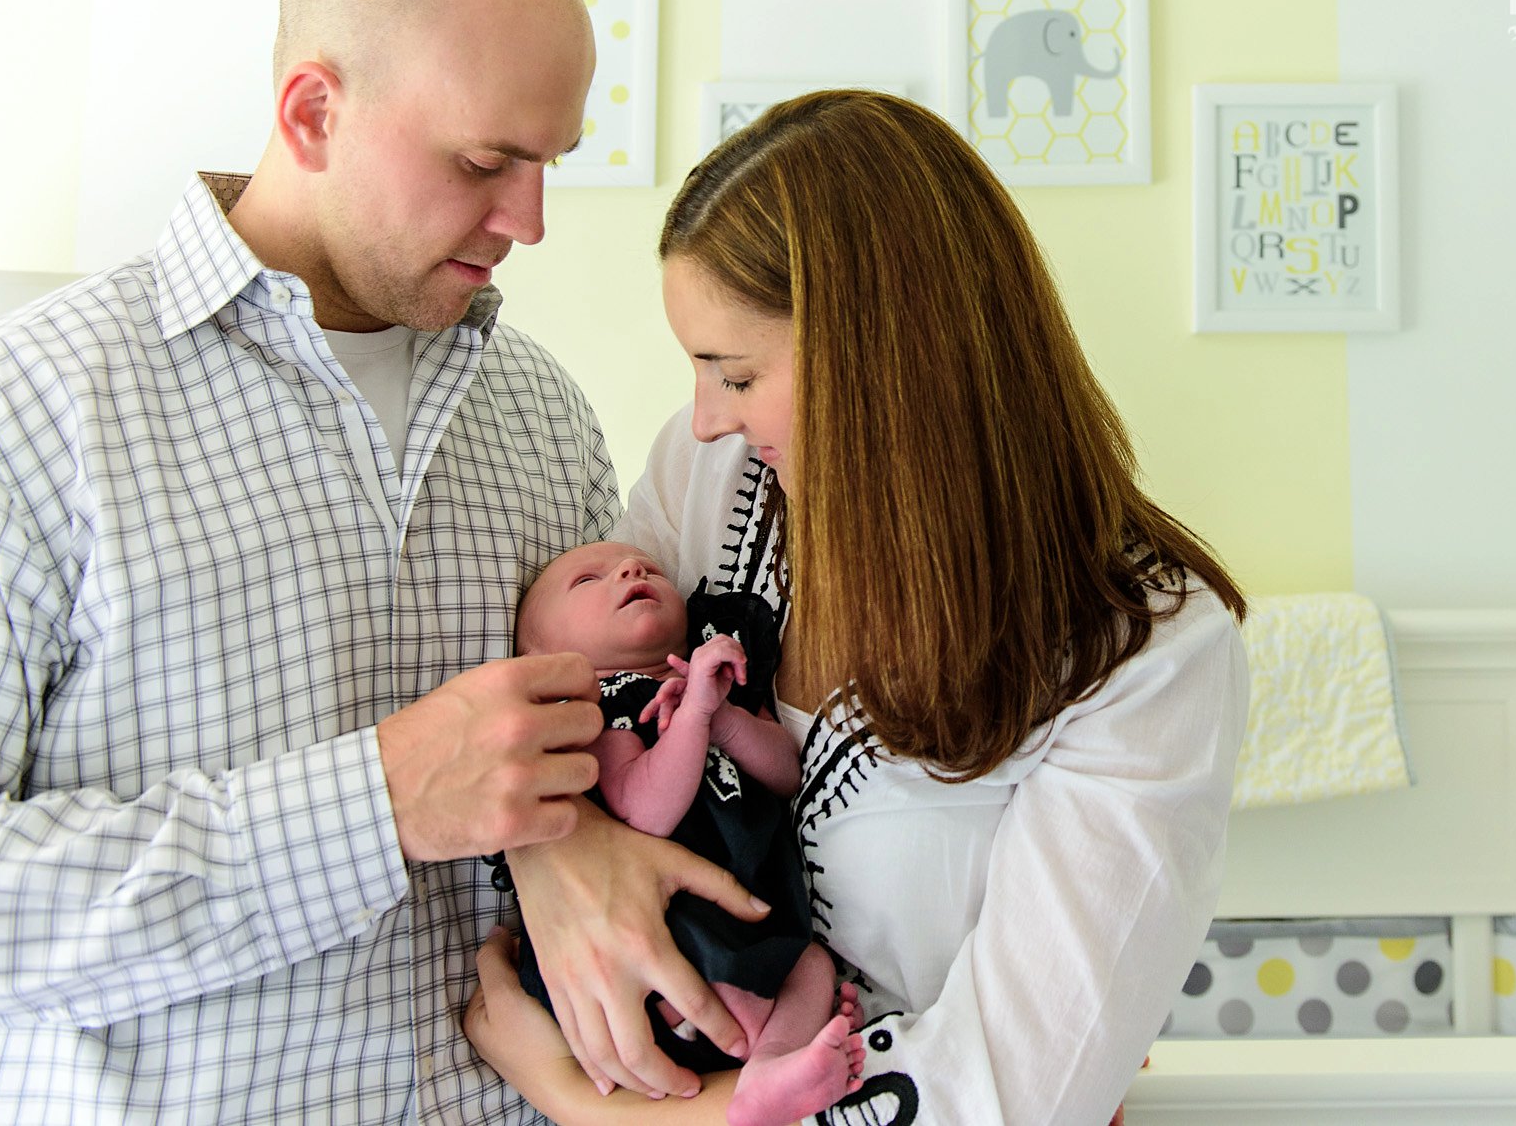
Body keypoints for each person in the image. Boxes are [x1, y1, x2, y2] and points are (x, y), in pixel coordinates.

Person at [0, 0, 762, 1121]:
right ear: (313, 109)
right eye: (483, 160)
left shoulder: (543, 416)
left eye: (547, 164)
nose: (531, 220)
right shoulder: (28, 404)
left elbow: (608, 776)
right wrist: (373, 803)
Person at [468, 90, 1252, 1124]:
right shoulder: (710, 487)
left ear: (882, 360)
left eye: (734, 372)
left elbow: (998, 1096)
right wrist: (550, 848)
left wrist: (598, 1107)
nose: (704, 417)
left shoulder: (1141, 654)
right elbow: (576, 723)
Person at [510, 540, 865, 1126]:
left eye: (645, 566)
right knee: (701, 964)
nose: (630, 569)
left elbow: (785, 773)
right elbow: (643, 811)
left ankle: (770, 1068)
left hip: (754, 921)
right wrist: (694, 716)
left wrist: (723, 714)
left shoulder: (725, 678)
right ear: (540, 656)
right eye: (587, 581)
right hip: (658, 928)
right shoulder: (601, 712)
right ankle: (741, 1039)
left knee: (814, 968)